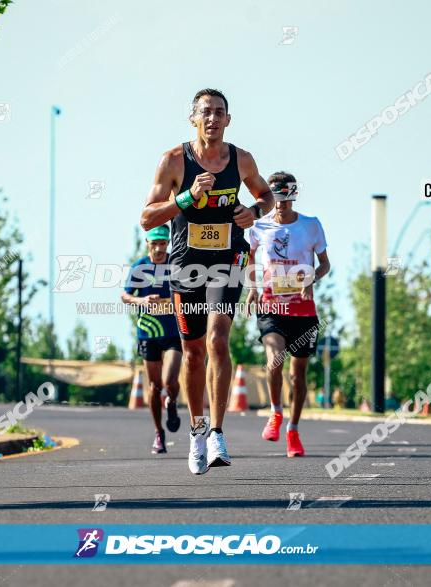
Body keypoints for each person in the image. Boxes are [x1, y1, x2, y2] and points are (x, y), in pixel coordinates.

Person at [140, 88, 273, 474]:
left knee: (218, 338)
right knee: (194, 351)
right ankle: (196, 432)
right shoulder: (173, 161)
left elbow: (264, 195)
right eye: (206, 113)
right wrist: (186, 199)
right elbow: (147, 218)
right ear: (193, 119)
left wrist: (254, 211)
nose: (212, 118)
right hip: (186, 265)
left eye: (219, 112)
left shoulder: (241, 159)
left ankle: (217, 432)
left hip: (229, 259)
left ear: (228, 120)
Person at [245, 171, 331, 457]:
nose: (281, 203)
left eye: (286, 197)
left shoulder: (310, 225)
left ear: (294, 196)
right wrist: (253, 288)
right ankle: (275, 412)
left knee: (299, 373)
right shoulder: (259, 226)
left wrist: (311, 280)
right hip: (272, 306)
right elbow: (250, 258)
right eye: (277, 197)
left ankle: (293, 430)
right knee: (273, 362)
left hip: (303, 309)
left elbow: (325, 265)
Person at [121, 225, 183, 454]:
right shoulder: (140, 267)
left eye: (163, 244)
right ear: (147, 243)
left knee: (169, 381)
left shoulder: (176, 264)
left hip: (174, 332)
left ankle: (173, 403)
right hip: (148, 332)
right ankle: (159, 433)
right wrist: (142, 301)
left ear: (168, 243)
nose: (158, 249)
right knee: (155, 386)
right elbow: (125, 295)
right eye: (154, 244)